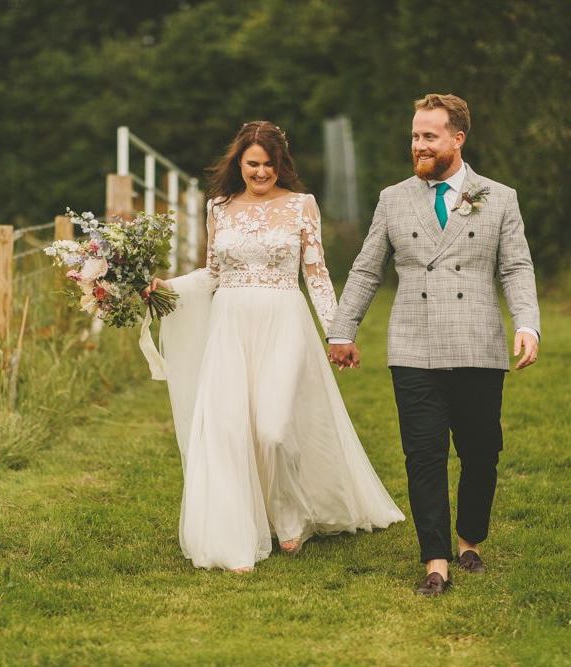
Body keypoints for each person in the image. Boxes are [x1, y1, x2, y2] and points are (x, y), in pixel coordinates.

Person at [141, 120, 404, 572]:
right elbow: (213, 273)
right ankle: (249, 521)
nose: (260, 173)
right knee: (231, 430)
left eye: (268, 165)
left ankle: (292, 511)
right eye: (252, 164)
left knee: (274, 429)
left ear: (281, 165)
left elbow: (316, 275)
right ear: (239, 164)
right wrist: (169, 288)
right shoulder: (219, 207)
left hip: (284, 319)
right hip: (231, 324)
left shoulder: (302, 206)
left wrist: (338, 332)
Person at [327, 94, 540, 595]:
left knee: (481, 451)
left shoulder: (499, 197)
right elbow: (364, 268)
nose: (418, 145)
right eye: (415, 136)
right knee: (423, 455)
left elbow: (515, 267)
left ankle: (470, 541)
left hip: (477, 345)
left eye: (429, 136)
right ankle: (436, 560)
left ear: (457, 138)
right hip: (413, 345)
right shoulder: (393, 198)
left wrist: (527, 322)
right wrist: (342, 329)